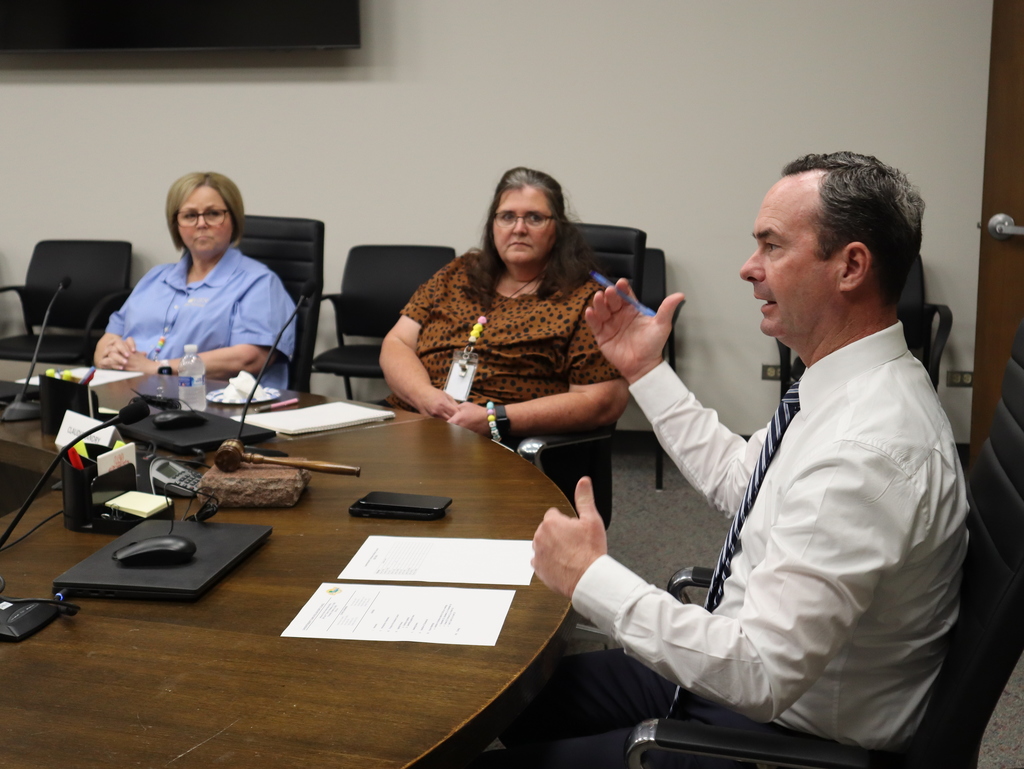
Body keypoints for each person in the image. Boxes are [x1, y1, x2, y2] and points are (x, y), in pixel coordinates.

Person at [474, 153, 969, 768]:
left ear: (851, 267)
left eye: (771, 246)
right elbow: (744, 482)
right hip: (736, 671)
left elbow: (759, 674)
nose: (748, 268)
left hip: (782, 733)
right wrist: (646, 373)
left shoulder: (864, 449)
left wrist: (589, 578)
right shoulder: (847, 384)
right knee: (500, 695)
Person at [380, 167, 628, 442]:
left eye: (534, 218)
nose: (519, 228)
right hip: (412, 418)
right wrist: (424, 396)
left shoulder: (586, 300)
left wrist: (494, 419)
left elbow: (602, 402)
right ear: (492, 225)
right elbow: (397, 343)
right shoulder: (458, 273)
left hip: (498, 440)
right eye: (507, 217)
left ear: (557, 229)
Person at [94, 172, 296, 390]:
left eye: (213, 214)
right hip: (129, 396)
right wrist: (108, 357)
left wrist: (157, 368)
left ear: (233, 219)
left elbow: (251, 357)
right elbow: (109, 337)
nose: (201, 224)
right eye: (190, 216)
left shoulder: (259, 283)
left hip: (205, 405)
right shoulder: (156, 277)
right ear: (176, 225)